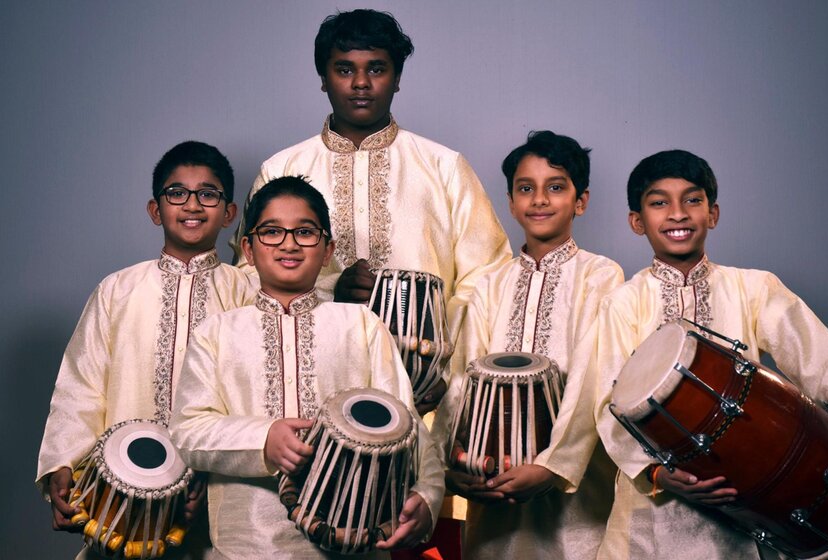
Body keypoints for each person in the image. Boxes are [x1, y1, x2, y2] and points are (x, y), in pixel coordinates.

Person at [231, 9, 511, 414]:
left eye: (376, 69)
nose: (361, 83)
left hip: (427, 398)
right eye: (344, 69)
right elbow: (244, 279)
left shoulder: (443, 166)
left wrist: (441, 372)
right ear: (323, 78)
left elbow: (487, 282)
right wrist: (329, 291)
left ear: (397, 79)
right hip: (308, 388)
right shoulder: (282, 169)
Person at [170, 176, 445, 559]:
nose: (288, 243)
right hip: (245, 548)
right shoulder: (216, 333)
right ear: (247, 248)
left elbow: (407, 423)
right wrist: (264, 439)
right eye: (271, 232)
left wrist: (427, 496)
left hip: (353, 543)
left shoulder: (361, 325)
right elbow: (187, 432)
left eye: (304, 232)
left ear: (328, 247)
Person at [593, 149, 828, 560]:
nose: (677, 214)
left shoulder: (754, 288)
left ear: (714, 213)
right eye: (659, 203)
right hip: (649, 520)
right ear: (637, 221)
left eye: (692, 199)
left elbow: (825, 362)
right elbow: (605, 403)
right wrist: (656, 473)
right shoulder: (622, 303)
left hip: (748, 499)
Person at [36, 141, 258, 559]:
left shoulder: (247, 292)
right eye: (177, 193)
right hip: (125, 505)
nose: (192, 205)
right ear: (156, 210)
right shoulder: (117, 290)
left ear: (230, 214)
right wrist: (61, 464)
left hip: (219, 499)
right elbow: (81, 387)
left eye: (208, 194)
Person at [433, 131, 623, 558]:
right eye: (526, 188)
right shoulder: (490, 284)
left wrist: (553, 466)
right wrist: (449, 464)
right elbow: (463, 377)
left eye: (555, 187)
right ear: (511, 201)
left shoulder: (601, 276)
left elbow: (594, 379)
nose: (539, 200)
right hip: (493, 481)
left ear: (581, 201)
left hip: (576, 490)